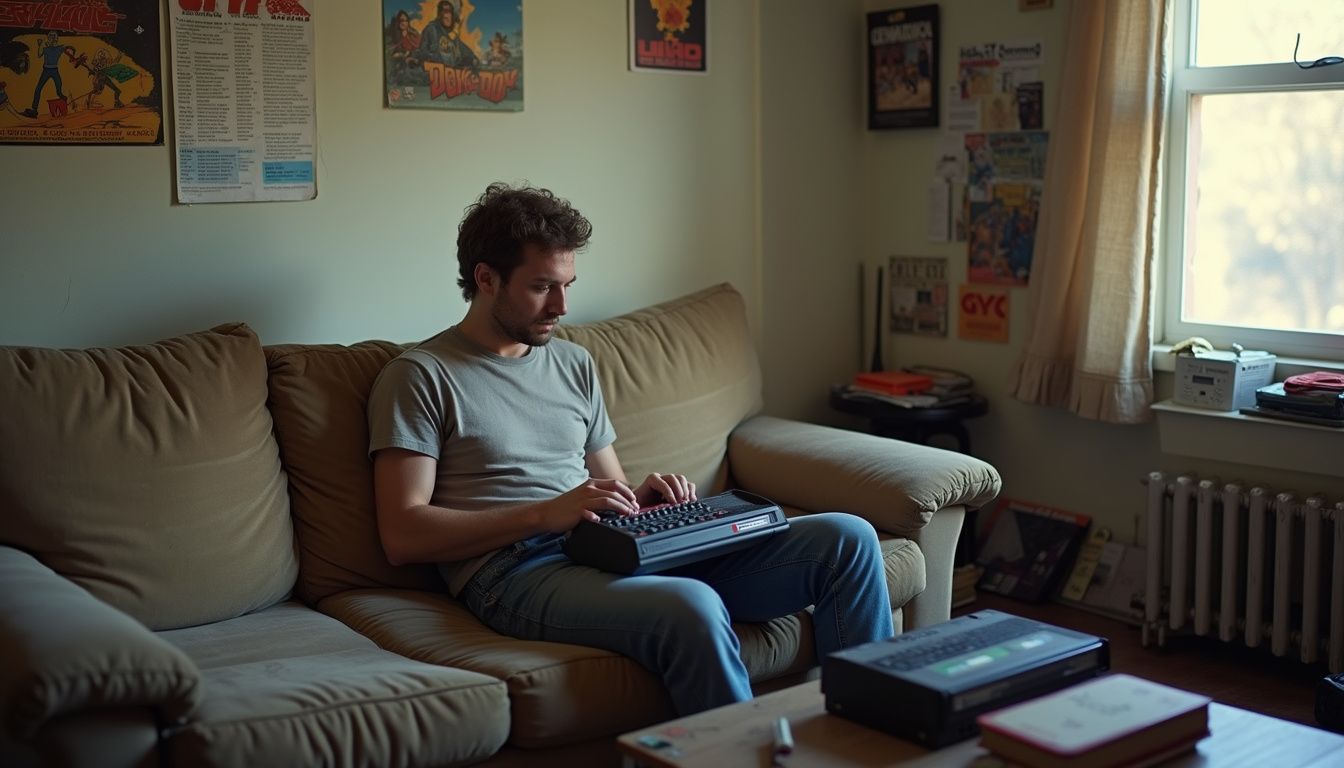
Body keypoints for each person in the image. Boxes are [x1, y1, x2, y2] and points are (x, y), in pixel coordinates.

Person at [367, 183, 895, 716]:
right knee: (693, 606)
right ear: (485, 279)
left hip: (609, 548)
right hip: (514, 573)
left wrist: (646, 500)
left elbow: (609, 485)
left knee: (846, 538)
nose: (562, 306)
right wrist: (547, 514)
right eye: (542, 287)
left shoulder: (572, 364)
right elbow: (403, 534)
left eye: (569, 284)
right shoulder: (420, 376)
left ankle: (873, 733)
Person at [410, 1, 479, 70]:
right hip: (433, 73)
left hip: (450, 76)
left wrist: (473, 61)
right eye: (444, 11)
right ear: (439, 14)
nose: (446, 16)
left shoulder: (454, 38)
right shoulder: (431, 29)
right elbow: (422, 51)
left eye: (449, 12)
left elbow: (470, 56)